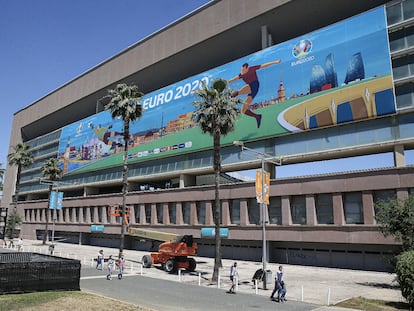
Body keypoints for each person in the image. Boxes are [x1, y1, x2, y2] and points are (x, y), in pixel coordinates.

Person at [228, 59, 281, 128]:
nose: (242, 72)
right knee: (243, 110)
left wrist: (274, 62)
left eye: (243, 70)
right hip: (251, 89)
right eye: (241, 70)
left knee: (238, 92)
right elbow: (233, 79)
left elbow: (263, 66)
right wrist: (227, 81)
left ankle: (228, 99)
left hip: (255, 85)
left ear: (247, 68)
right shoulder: (241, 74)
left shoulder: (252, 69)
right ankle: (257, 116)